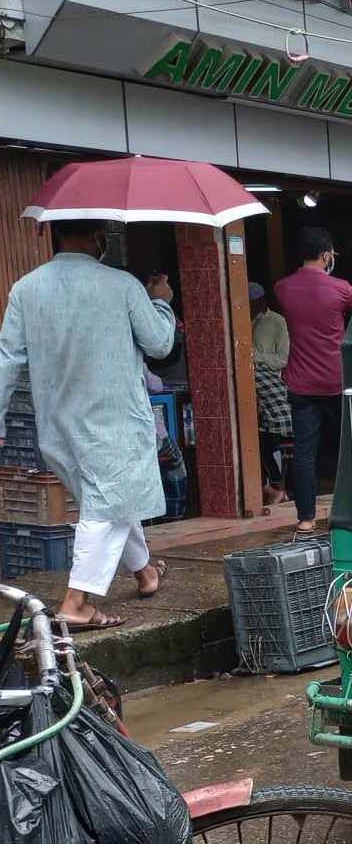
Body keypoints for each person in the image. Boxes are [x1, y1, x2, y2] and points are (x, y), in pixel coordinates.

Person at [0, 220, 176, 631]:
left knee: (108, 499)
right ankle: (77, 601)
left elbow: (7, 359)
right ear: (99, 237)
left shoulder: (26, 288)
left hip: (58, 424)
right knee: (106, 504)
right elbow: (161, 343)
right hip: (113, 420)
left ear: (54, 234)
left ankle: (145, 571)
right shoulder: (122, 285)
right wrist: (162, 301)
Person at [276, 227, 352, 535]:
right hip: (338, 381)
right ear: (326, 255)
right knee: (349, 449)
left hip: (301, 384)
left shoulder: (283, 288)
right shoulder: (341, 289)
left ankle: (306, 518)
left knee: (304, 453)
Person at [250, 283, 291, 508]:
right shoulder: (241, 321)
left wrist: (255, 357)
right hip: (252, 385)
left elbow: (282, 360)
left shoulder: (277, 322)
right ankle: (272, 487)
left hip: (270, 384)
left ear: (261, 301)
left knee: (268, 436)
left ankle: (275, 487)